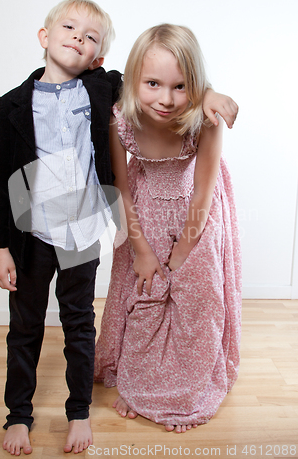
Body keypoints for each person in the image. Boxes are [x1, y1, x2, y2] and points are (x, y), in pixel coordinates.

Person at [0, 0, 238, 455]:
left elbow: (162, 80)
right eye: (68, 27)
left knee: (89, 322)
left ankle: (87, 409)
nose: (78, 38)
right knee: (31, 326)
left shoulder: (103, 89)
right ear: (44, 37)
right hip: (36, 234)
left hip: (99, 231)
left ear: (99, 59)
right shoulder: (12, 107)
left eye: (91, 36)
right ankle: (19, 414)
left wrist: (209, 94)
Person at [94, 23, 242, 434]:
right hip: (142, 219)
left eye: (180, 86)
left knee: (197, 306)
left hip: (195, 223)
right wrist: (143, 251)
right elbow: (121, 191)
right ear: (134, 79)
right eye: (153, 83)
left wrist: (182, 253)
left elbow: (203, 193)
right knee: (144, 299)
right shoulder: (120, 120)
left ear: (196, 85)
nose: (166, 98)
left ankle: (186, 389)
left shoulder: (204, 121)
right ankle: (141, 386)